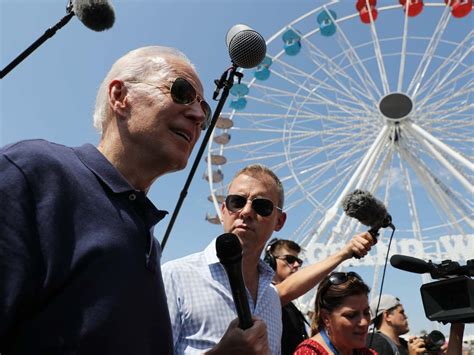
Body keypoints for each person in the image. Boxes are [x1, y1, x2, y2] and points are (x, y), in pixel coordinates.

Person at [0, 46, 267, 355]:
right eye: (181, 92)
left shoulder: (146, 237)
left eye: (205, 113)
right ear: (120, 96)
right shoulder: (35, 172)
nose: (197, 117)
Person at [162, 164, 375, 354]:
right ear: (224, 210)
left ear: (279, 221)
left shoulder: (271, 299)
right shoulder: (176, 277)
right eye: (237, 201)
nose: (246, 211)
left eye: (261, 206)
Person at [294, 271, 376, 355]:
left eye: (366, 313)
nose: (364, 322)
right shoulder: (308, 352)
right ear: (326, 318)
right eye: (351, 315)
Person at [367, 294, 449, 355]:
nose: (406, 316)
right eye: (401, 312)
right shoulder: (375, 342)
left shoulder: (405, 344)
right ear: (387, 316)